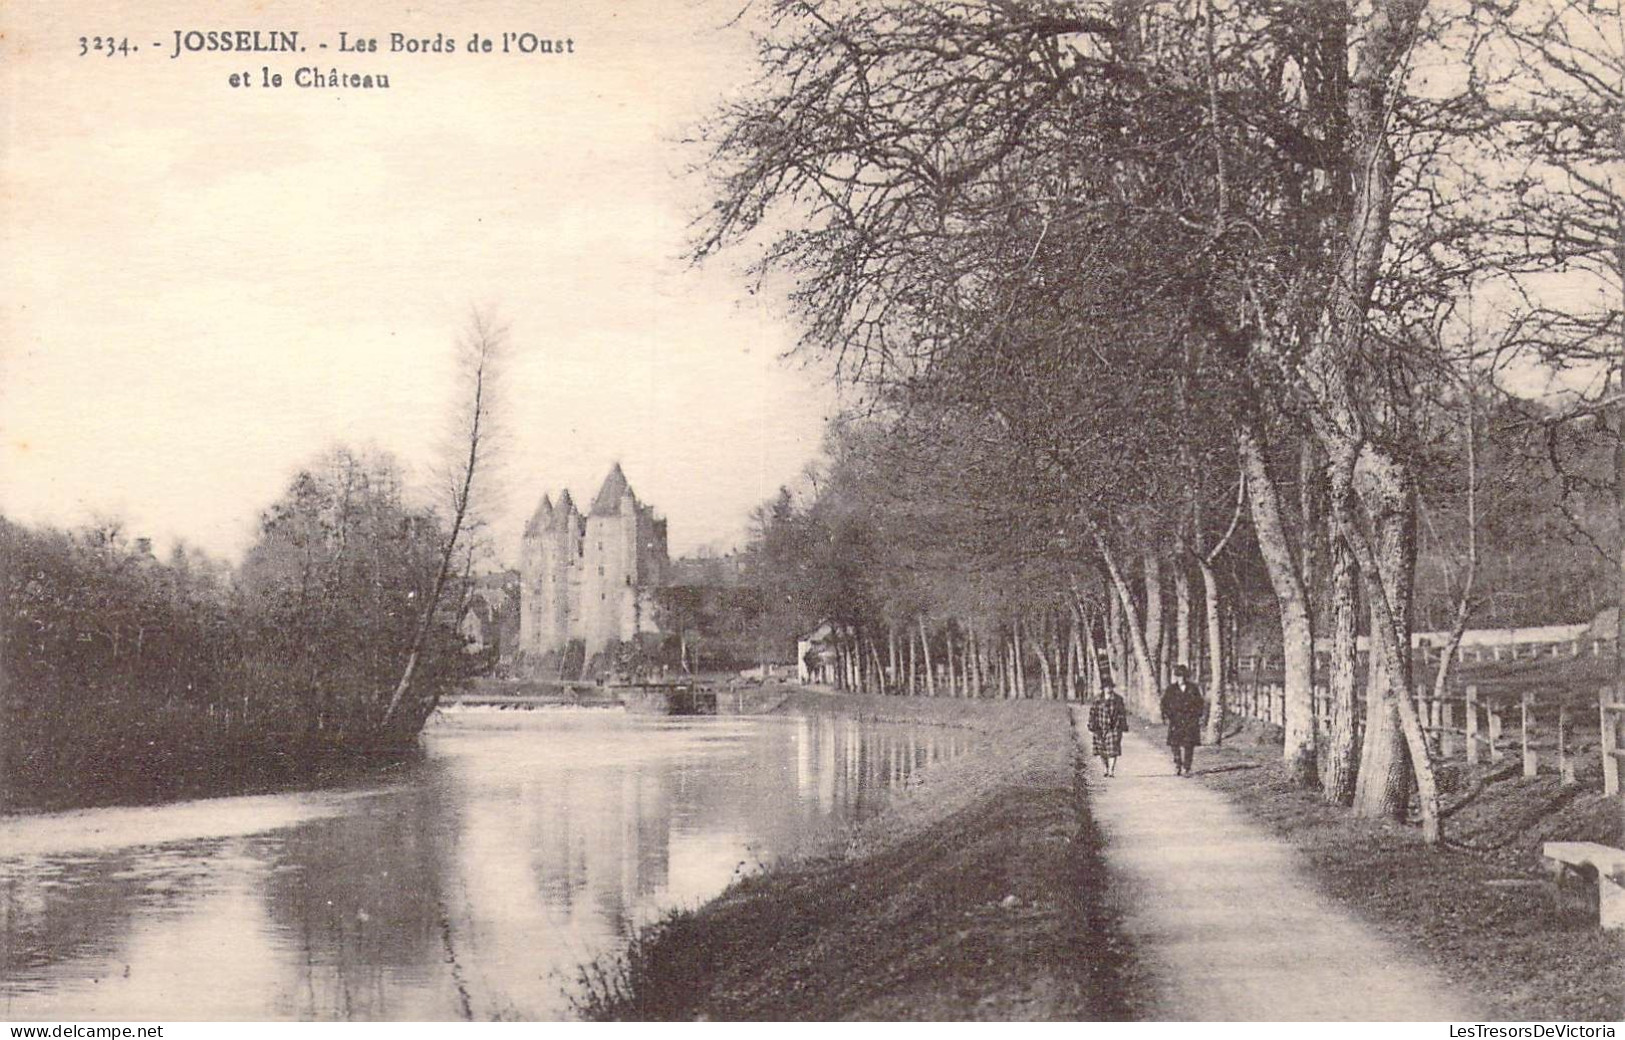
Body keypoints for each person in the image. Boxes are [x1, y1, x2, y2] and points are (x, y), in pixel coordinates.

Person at [1160, 664, 1207, 776]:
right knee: (1174, 743)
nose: (1180, 679)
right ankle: (1177, 763)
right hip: (1176, 720)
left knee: (1189, 744)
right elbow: (1164, 703)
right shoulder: (1171, 689)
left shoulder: (1193, 688)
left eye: (1182, 676)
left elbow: (1200, 703)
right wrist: (1169, 715)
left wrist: (1197, 716)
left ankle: (1187, 766)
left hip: (1190, 720)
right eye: (1178, 676)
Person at [1086, 676, 1129, 777]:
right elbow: (1092, 713)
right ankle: (1105, 768)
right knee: (1101, 750)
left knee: (1113, 749)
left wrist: (1122, 725)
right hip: (1100, 727)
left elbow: (1122, 713)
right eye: (1106, 687)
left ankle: (1111, 770)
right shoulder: (1097, 700)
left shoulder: (1118, 699)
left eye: (1110, 687)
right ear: (1103, 688)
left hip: (1114, 727)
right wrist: (1091, 725)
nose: (1108, 689)